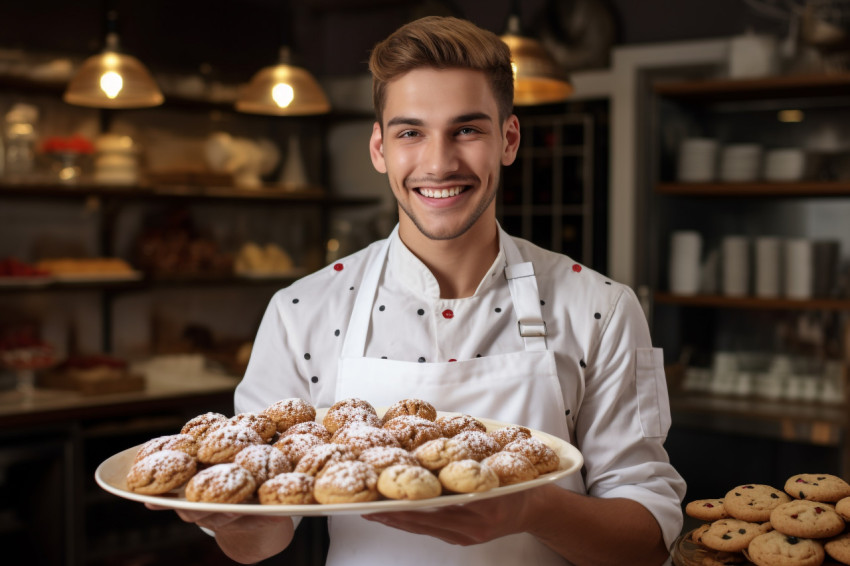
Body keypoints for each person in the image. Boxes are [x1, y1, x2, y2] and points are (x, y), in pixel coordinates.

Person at [158, 15, 686, 565]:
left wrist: (533, 510)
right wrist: (225, 517)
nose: (439, 163)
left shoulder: (600, 308)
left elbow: (647, 542)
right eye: (411, 132)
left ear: (508, 140)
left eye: (467, 129)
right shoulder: (301, 311)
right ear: (380, 149)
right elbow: (262, 541)